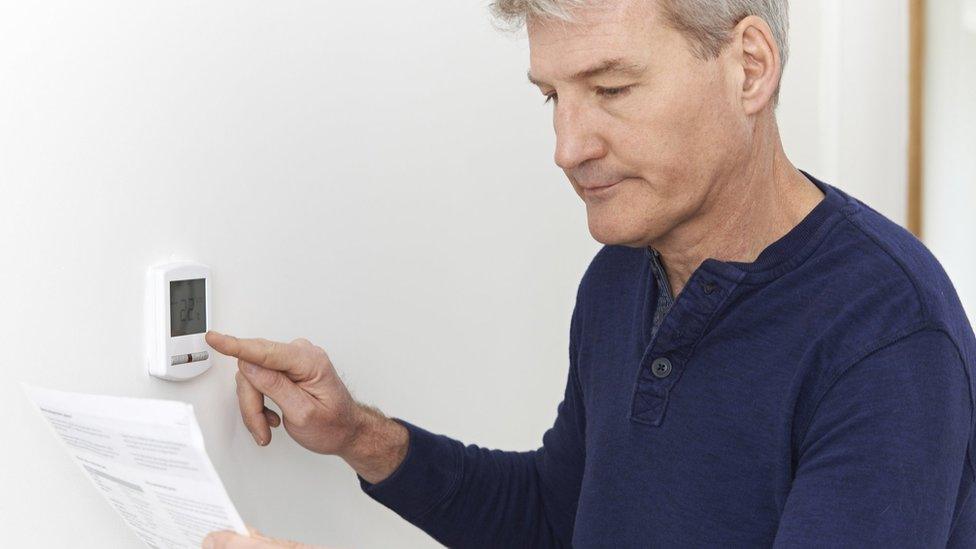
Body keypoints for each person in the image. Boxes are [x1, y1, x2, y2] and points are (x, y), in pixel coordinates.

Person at [203, 0, 976, 547]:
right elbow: (557, 517)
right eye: (552, 96)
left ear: (749, 67)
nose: (568, 146)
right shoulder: (618, 279)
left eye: (610, 90)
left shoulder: (888, 336)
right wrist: (359, 436)